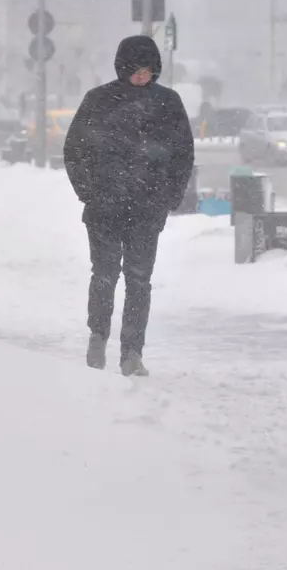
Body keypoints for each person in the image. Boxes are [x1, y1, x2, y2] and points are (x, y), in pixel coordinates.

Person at [64, 35, 195, 377]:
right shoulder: (98, 101)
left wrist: (168, 197)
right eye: (136, 69)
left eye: (148, 69)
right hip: (103, 207)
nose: (142, 75)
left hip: (147, 209)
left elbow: (183, 154)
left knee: (139, 281)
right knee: (104, 275)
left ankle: (132, 352)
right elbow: (75, 150)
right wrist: (88, 191)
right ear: (123, 68)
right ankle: (97, 337)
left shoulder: (168, 103)